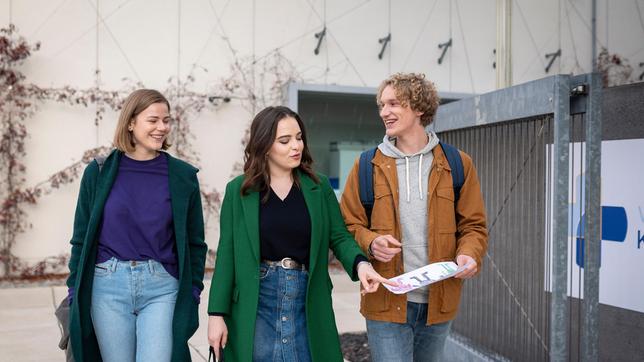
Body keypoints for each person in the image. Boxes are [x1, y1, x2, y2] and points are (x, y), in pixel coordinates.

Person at [207, 106, 393, 362]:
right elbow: (226, 253)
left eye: (298, 137)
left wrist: (361, 265)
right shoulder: (239, 190)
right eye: (285, 141)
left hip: (307, 298)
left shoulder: (319, 186)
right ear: (264, 145)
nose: (296, 146)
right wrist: (216, 314)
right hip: (257, 300)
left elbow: (338, 236)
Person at [340, 73, 488, 361]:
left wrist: (469, 254)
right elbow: (347, 225)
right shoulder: (366, 165)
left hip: (438, 301)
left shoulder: (457, 164)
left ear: (419, 107)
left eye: (393, 104)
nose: (384, 112)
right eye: (382, 105)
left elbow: (473, 226)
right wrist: (370, 242)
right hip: (385, 301)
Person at [66, 89, 208, 362]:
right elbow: (81, 238)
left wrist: (193, 291)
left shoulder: (183, 176)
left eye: (166, 120)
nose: (162, 127)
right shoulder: (98, 172)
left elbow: (195, 242)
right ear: (130, 123)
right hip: (107, 287)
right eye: (153, 120)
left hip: (162, 288)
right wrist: (74, 289)